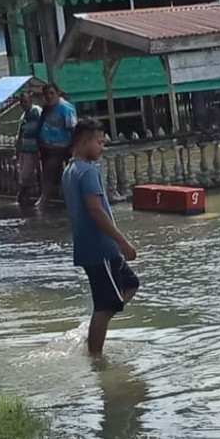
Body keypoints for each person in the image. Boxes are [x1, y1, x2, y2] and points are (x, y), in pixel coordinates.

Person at [62, 118, 138, 355]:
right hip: (100, 249)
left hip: (98, 248)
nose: (102, 148)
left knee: (130, 284)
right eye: (99, 143)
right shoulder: (87, 172)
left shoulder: (70, 169)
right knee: (105, 307)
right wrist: (123, 241)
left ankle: (94, 325)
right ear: (84, 141)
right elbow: (96, 211)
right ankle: (95, 357)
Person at [37, 83, 77, 208]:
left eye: (51, 93)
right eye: (46, 94)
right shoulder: (46, 109)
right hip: (48, 147)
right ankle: (48, 198)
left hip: (62, 147)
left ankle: (45, 200)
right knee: (48, 175)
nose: (49, 97)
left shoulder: (65, 108)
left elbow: (73, 129)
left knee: (51, 173)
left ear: (58, 93)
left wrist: (72, 147)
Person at [15, 91, 42, 207]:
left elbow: (42, 129)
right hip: (26, 151)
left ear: (31, 101)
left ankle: (41, 196)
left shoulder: (37, 112)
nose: (24, 104)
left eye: (25, 102)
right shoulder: (23, 117)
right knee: (25, 176)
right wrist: (16, 152)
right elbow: (20, 135)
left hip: (37, 149)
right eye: (22, 103)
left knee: (39, 174)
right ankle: (22, 198)